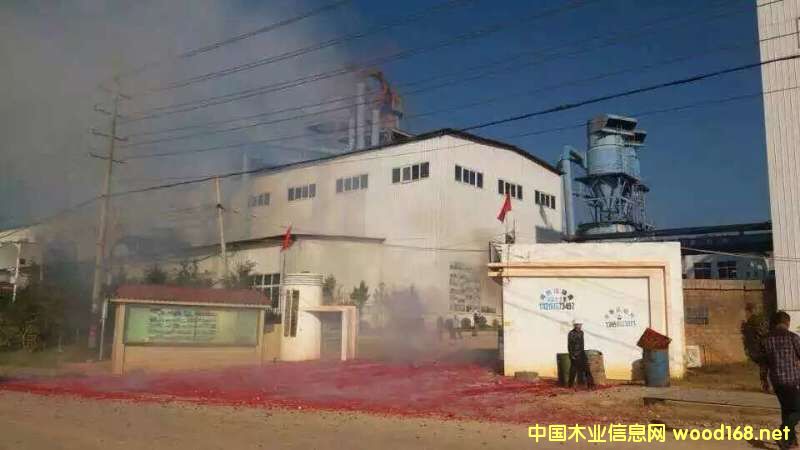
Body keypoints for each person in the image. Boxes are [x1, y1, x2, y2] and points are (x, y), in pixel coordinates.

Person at [759, 310, 800, 449]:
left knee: (787, 410)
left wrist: (764, 381)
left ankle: (789, 441)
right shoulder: (793, 338)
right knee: (796, 410)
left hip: (776, 382)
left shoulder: (765, 340)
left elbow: (763, 365)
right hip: (792, 381)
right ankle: (782, 433)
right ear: (787, 323)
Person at [567, 321, 595, 389]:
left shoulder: (582, 332)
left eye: (580, 325)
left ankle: (591, 385)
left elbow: (582, 343)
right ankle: (570, 385)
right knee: (573, 371)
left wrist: (583, 353)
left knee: (587, 369)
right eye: (578, 325)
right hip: (574, 354)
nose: (579, 326)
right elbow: (569, 345)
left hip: (581, 353)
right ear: (575, 325)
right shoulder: (571, 333)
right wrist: (571, 355)